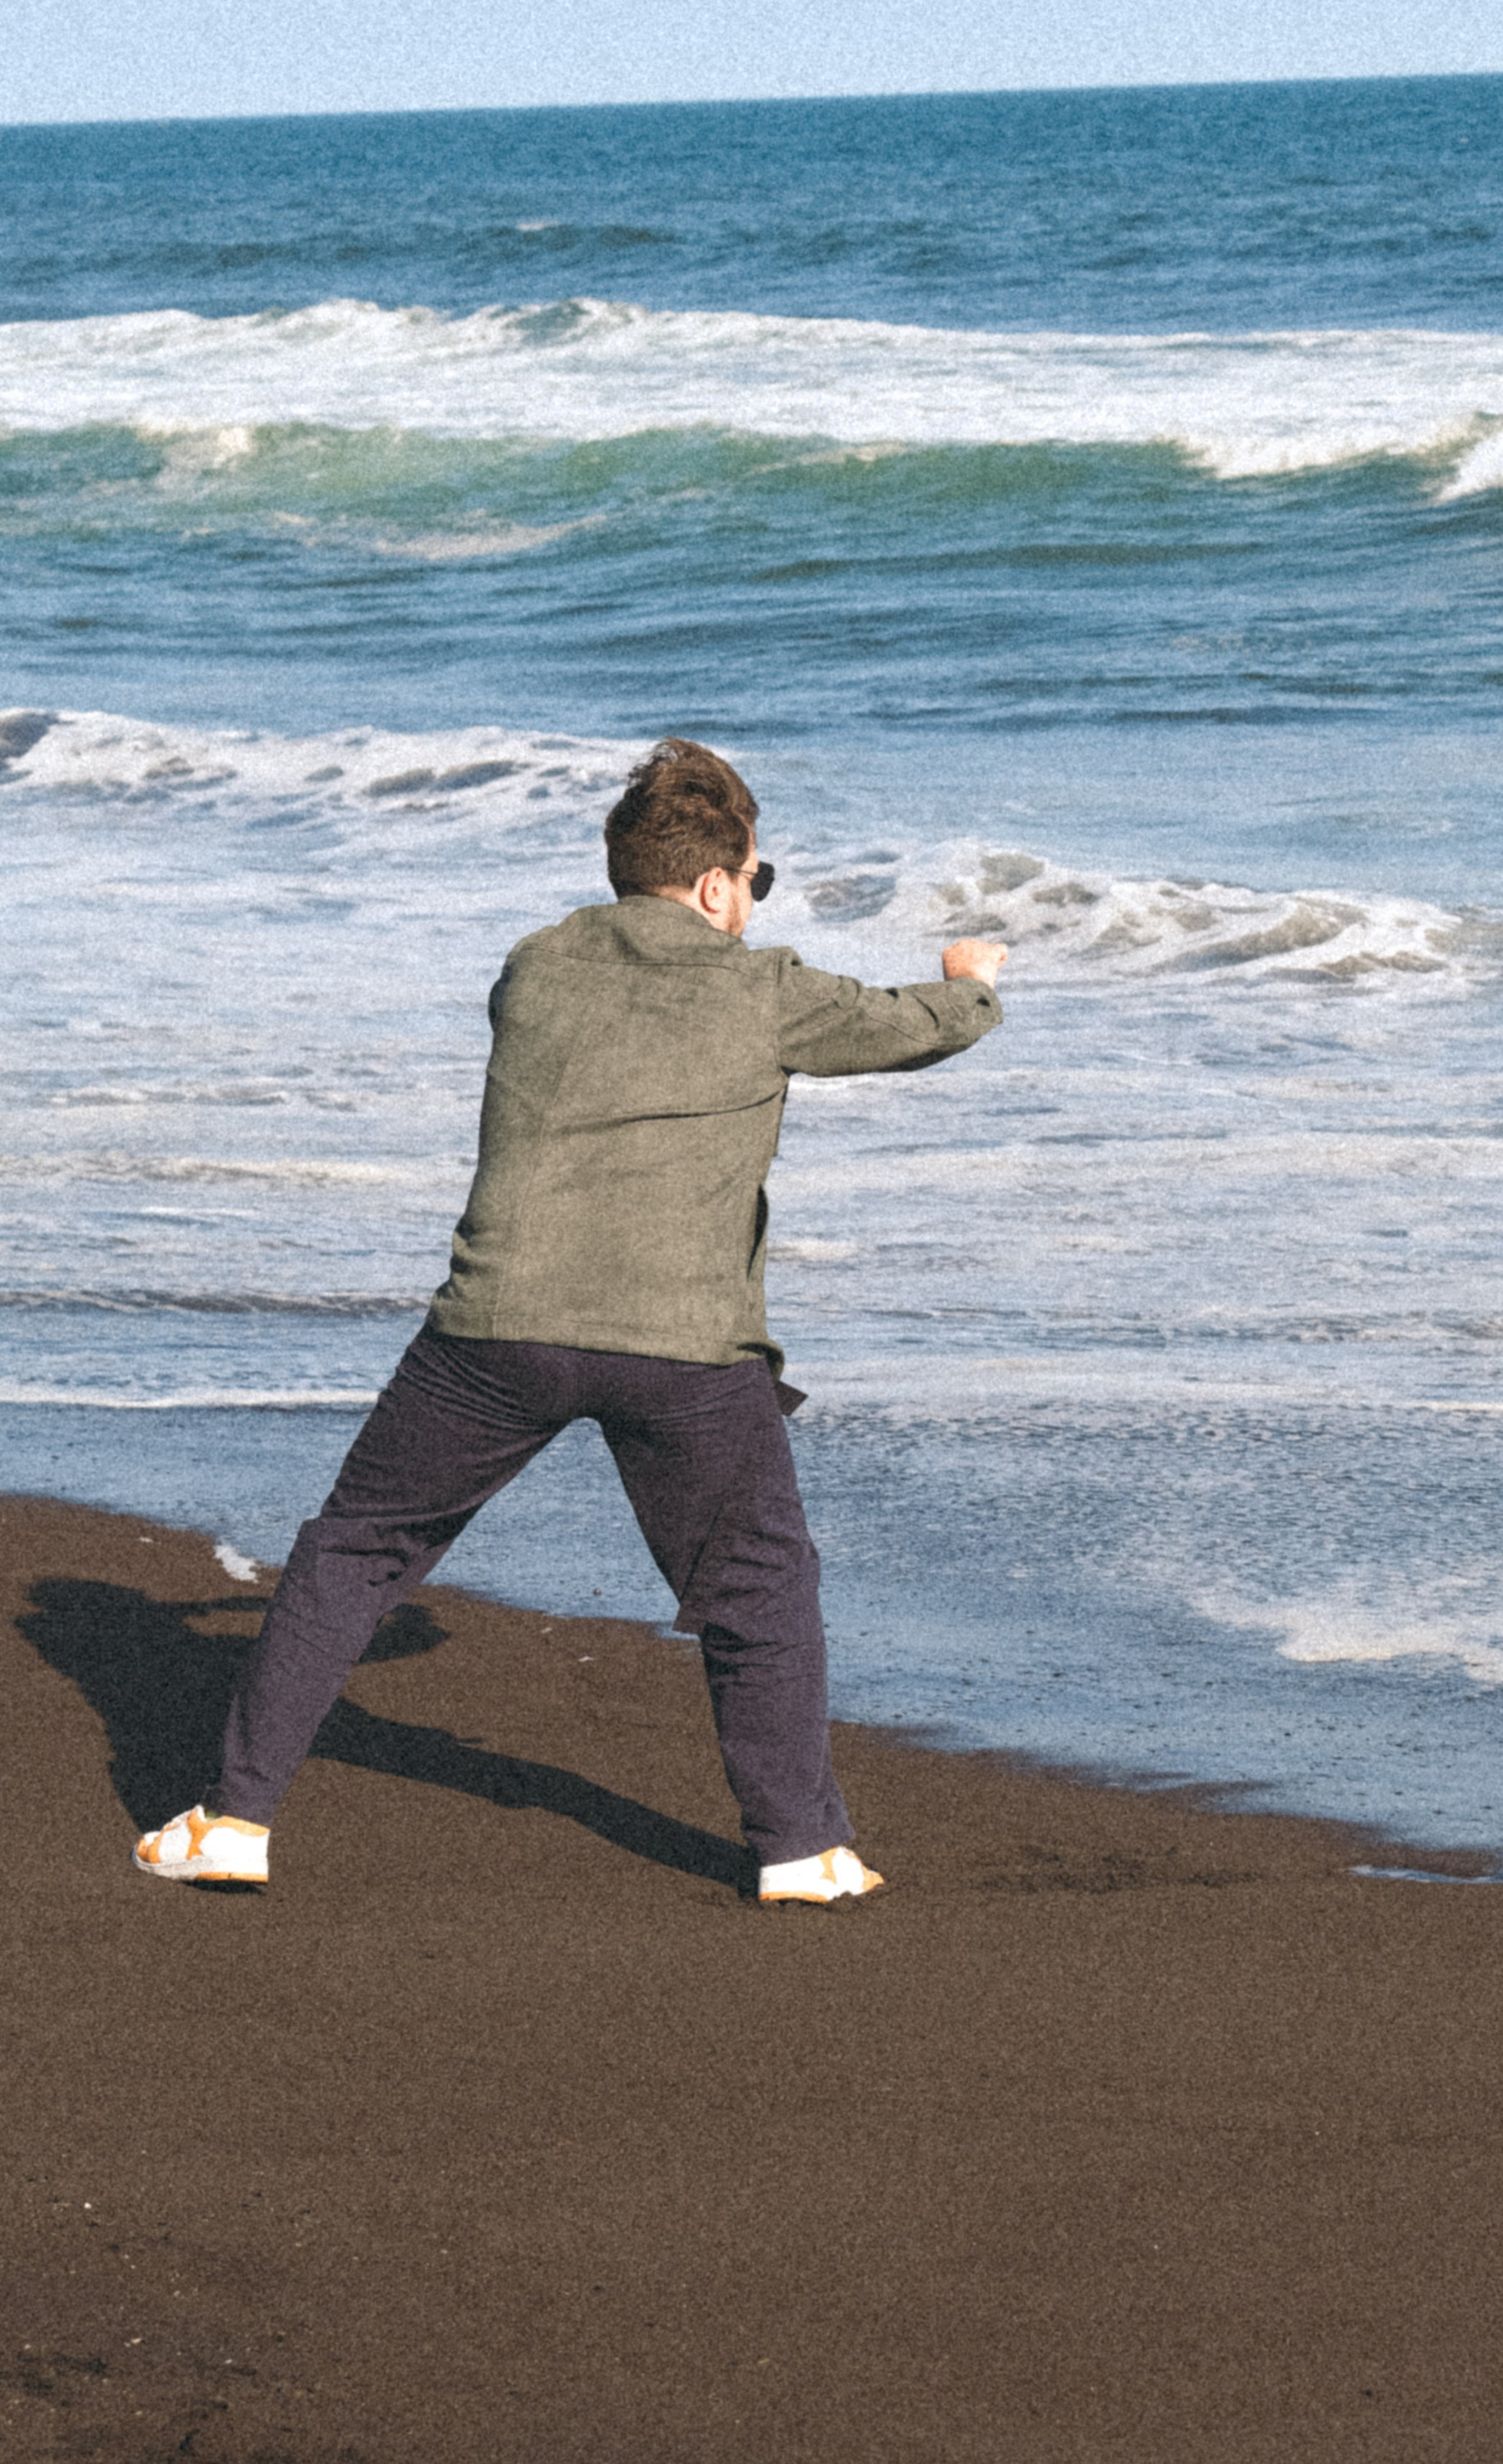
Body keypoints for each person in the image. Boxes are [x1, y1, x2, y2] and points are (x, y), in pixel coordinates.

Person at [133, 738, 1006, 1904]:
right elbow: (913, 1027)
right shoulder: (767, 989)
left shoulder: (533, 966)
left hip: (498, 1332)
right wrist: (971, 979)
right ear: (714, 886)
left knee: (357, 1549)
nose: (754, 904)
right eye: (757, 880)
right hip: (684, 1351)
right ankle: (801, 1849)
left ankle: (234, 1820)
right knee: (757, 1588)